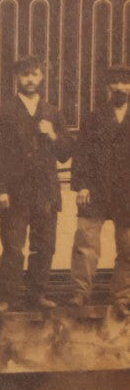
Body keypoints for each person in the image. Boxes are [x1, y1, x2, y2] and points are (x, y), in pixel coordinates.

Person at [0, 54, 74, 311]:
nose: (30, 80)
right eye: (25, 75)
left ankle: (37, 294)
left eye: (34, 74)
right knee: (13, 247)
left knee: (44, 246)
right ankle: (7, 298)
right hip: (15, 192)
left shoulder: (52, 113)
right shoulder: (3, 113)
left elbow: (66, 152)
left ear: (42, 77)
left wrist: (53, 134)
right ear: (16, 78)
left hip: (45, 191)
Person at [68, 65, 130, 313]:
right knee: (85, 243)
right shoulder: (94, 118)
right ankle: (80, 294)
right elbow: (81, 153)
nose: (120, 87)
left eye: (125, 83)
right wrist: (82, 185)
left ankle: (122, 297)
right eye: (114, 83)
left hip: (127, 194)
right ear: (107, 87)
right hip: (95, 191)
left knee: (128, 247)